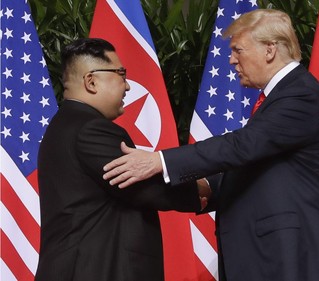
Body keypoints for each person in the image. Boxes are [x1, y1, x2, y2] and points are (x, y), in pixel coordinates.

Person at [102, 9, 319, 281]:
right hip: (270, 254)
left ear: (269, 50)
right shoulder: (279, 97)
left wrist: (158, 161)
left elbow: (243, 146)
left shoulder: (301, 95)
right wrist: (208, 187)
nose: (231, 60)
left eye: (238, 50)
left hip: (295, 255)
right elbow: (258, 162)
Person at [35, 38, 210, 281]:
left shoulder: (65, 125)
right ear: (91, 81)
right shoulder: (90, 128)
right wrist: (207, 190)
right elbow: (145, 188)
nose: (127, 86)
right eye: (120, 73)